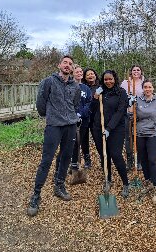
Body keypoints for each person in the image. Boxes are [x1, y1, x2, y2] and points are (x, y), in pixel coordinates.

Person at [27, 55, 81, 217]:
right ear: (59, 65)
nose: (67, 65)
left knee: (65, 157)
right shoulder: (48, 82)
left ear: (72, 69)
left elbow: (75, 104)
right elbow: (41, 104)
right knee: (47, 160)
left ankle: (59, 185)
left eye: (70, 64)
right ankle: (36, 195)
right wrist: (51, 116)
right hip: (54, 126)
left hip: (70, 126)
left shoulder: (75, 86)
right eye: (65, 62)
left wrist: (69, 117)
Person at [92, 70, 130, 198]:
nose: (108, 82)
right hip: (98, 128)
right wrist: (95, 97)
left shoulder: (121, 93)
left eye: (110, 79)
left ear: (115, 79)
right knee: (104, 155)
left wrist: (109, 128)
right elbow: (92, 109)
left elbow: (120, 112)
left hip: (116, 129)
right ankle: (108, 179)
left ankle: (125, 182)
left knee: (116, 155)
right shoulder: (100, 91)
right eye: (106, 79)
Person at [135, 79, 156, 204]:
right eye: (145, 87)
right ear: (143, 89)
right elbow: (132, 116)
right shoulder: (138, 100)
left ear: (153, 88)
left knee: (152, 160)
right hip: (140, 133)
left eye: (149, 87)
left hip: (154, 133)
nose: (147, 89)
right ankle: (148, 180)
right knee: (143, 159)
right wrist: (130, 105)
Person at [120, 65, 145, 171]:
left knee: (138, 136)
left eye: (138, 70)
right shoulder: (125, 83)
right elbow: (120, 96)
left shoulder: (144, 83)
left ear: (141, 71)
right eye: (134, 70)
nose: (136, 72)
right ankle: (129, 161)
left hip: (140, 113)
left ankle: (139, 160)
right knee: (128, 137)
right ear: (131, 72)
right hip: (127, 113)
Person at [70, 65, 92, 171]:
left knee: (80, 140)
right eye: (77, 72)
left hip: (83, 119)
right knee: (72, 141)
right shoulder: (68, 86)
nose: (79, 73)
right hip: (70, 119)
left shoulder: (86, 88)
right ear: (73, 73)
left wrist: (81, 114)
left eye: (81, 72)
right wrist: (74, 114)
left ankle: (81, 161)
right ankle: (73, 163)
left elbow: (88, 103)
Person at [83, 68, 100, 165]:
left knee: (98, 139)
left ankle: (103, 157)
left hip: (96, 117)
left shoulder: (100, 87)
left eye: (92, 73)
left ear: (95, 75)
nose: (90, 75)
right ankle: (87, 159)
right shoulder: (83, 87)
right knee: (84, 140)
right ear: (85, 77)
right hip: (85, 117)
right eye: (88, 74)